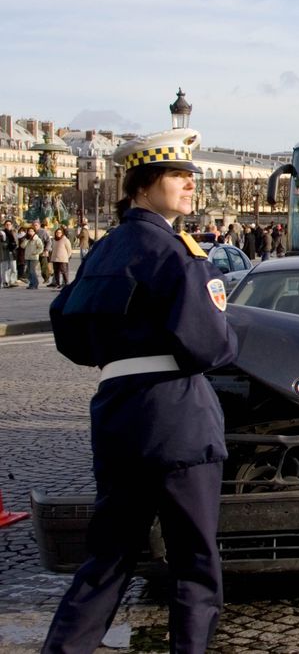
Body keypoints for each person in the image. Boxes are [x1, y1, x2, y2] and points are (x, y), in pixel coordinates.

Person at [43, 127, 237, 654]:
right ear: (144, 185)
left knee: (107, 560)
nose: (190, 186)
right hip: (177, 419)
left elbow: (67, 326)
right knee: (195, 562)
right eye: (178, 175)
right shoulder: (177, 252)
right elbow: (211, 347)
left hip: (117, 413)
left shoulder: (105, 249)